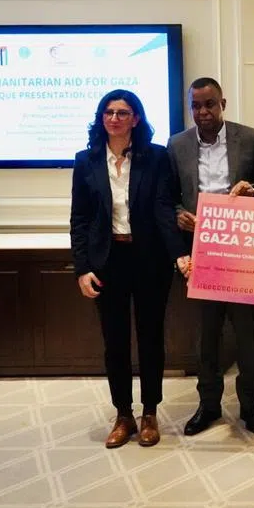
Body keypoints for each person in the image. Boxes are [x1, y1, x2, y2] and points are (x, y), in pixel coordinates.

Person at [70, 89, 188, 448]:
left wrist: (178, 255)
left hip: (149, 259)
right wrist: (82, 268)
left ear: (136, 119)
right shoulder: (86, 160)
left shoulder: (155, 157)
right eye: (108, 112)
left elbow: (164, 210)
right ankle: (123, 414)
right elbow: (80, 218)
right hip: (108, 261)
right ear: (101, 118)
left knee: (151, 338)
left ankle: (150, 411)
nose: (115, 118)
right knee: (115, 342)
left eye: (123, 112)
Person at [168, 77, 254, 436]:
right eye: (196, 106)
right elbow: (168, 196)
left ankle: (251, 408)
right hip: (201, 253)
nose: (203, 112)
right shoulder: (177, 144)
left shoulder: (250, 137)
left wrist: (252, 191)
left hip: (240, 251)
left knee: (247, 337)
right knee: (206, 337)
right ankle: (208, 406)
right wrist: (180, 212)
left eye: (209, 104)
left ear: (223, 103)